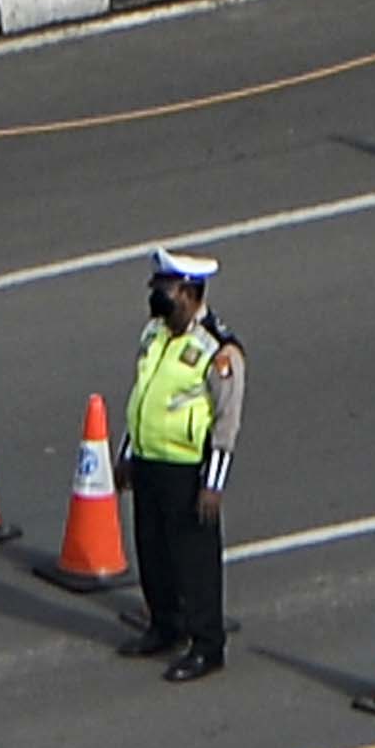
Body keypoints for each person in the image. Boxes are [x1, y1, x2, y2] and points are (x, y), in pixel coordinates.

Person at [116, 248, 246, 683]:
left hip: (188, 470)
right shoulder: (154, 334)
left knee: (194, 561)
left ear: (189, 294)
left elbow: (227, 421)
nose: (157, 297)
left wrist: (213, 485)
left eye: (165, 290)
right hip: (150, 460)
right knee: (152, 551)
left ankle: (207, 645)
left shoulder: (217, 349)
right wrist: (127, 453)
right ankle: (164, 625)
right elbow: (143, 398)